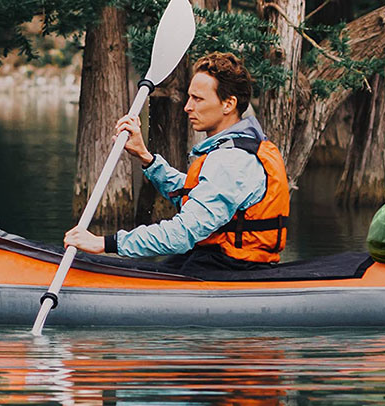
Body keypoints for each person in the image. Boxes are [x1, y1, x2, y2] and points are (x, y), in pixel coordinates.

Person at [64, 52, 290, 273]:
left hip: (233, 266)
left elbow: (183, 233)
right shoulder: (235, 150)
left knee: (172, 262)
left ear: (228, 104)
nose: (187, 107)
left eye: (198, 99)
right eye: (190, 97)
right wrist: (146, 158)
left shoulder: (232, 161)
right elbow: (194, 192)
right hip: (222, 258)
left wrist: (106, 244)